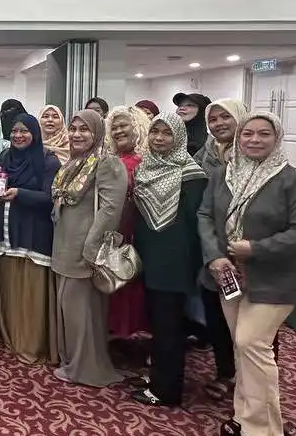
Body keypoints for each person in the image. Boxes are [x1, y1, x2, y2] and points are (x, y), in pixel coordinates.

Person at [198, 112, 296, 436]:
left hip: (275, 279)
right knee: (242, 348)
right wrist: (214, 256)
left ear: (276, 138)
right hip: (229, 275)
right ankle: (244, 416)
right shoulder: (223, 174)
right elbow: (205, 216)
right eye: (247, 133)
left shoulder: (292, 181)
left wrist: (256, 248)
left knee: (252, 343)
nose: (254, 140)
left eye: (263, 134)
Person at [130, 113, 208, 408]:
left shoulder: (192, 174)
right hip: (150, 256)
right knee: (157, 323)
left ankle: (167, 390)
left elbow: (196, 224)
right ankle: (158, 377)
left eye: (167, 133)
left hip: (175, 260)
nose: (159, 138)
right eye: (155, 132)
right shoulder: (147, 167)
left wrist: (190, 264)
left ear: (179, 138)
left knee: (169, 326)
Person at [50, 109, 126, 387]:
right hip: (65, 246)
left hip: (85, 249)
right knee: (70, 309)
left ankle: (87, 369)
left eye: (84, 129)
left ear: (97, 133)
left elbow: (110, 209)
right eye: (73, 128)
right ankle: (73, 362)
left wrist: (91, 247)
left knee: (82, 313)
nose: (76, 134)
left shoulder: (107, 163)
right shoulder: (75, 162)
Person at [0, 113, 62, 364]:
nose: (18, 136)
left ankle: (31, 343)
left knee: (31, 294)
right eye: (14, 131)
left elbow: (50, 198)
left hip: (34, 236)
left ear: (35, 134)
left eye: (24, 131)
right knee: (11, 290)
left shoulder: (48, 161)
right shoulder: (5, 157)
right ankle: (12, 337)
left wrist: (20, 193)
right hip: (8, 233)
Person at [194, 98, 250, 399]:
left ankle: (253, 383)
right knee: (216, 318)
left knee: (252, 327)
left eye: (225, 117)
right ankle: (226, 372)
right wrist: (213, 254)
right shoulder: (206, 156)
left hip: (249, 256)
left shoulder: (257, 158)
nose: (218, 124)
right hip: (213, 254)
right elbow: (203, 212)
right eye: (213, 119)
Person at [103, 107, 149, 344]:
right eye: (114, 128)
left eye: (124, 126)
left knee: (132, 286)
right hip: (109, 235)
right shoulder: (110, 160)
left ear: (137, 128)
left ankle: (133, 339)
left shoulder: (145, 162)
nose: (119, 131)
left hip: (135, 235)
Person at [173, 92, 211, 156]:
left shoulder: (210, 144)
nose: (181, 108)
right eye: (179, 105)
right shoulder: (170, 137)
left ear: (202, 110)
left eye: (189, 105)